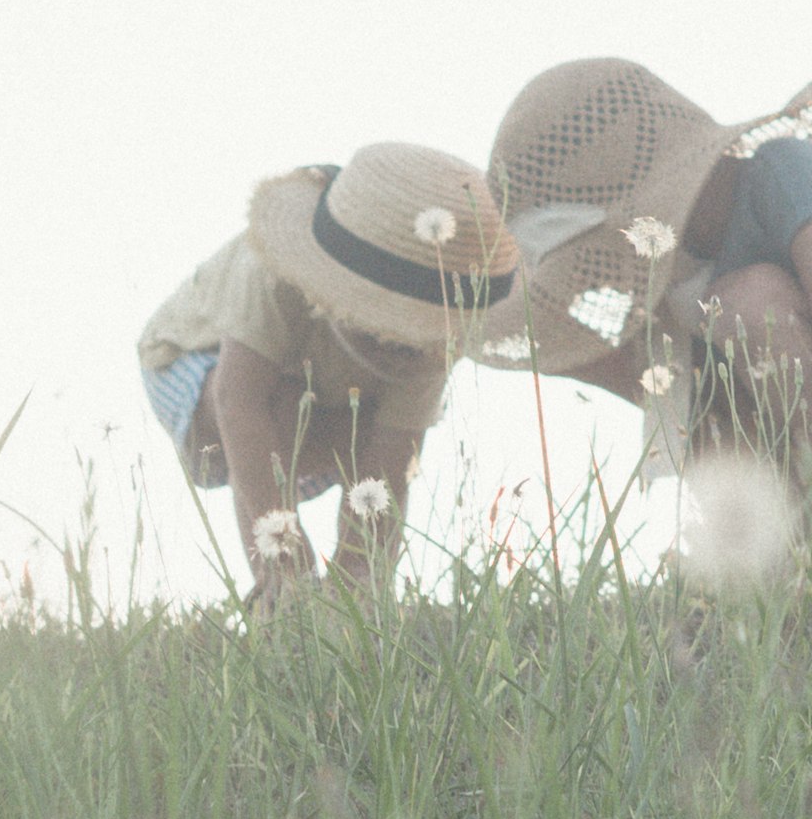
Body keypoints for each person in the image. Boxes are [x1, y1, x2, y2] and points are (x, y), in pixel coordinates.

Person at [485, 56, 812, 546]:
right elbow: (670, 398)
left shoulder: (781, 171)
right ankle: (791, 560)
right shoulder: (686, 283)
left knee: (747, 303)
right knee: (701, 376)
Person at [137, 142, 527, 603]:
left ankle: (349, 601)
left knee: (376, 458)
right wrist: (287, 559)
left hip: (333, 392)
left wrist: (359, 581)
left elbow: (391, 462)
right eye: (382, 327)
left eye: (416, 337)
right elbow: (238, 402)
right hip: (200, 362)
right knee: (279, 404)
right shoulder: (273, 274)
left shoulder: (435, 337)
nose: (399, 349)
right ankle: (279, 592)